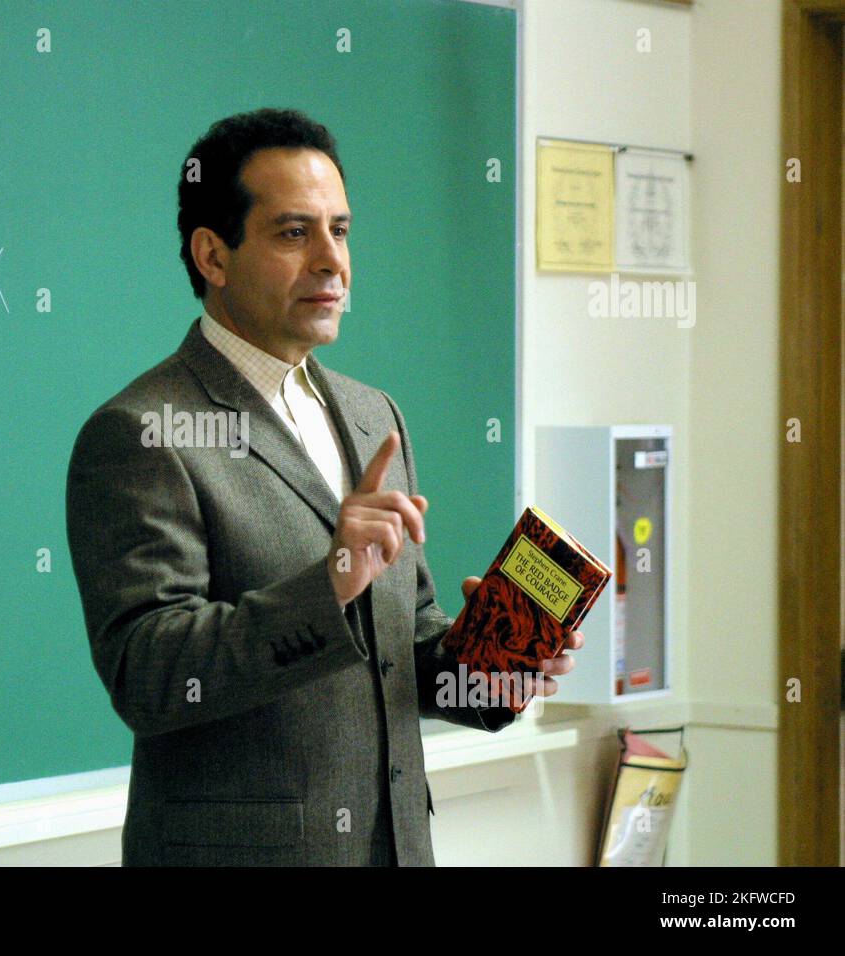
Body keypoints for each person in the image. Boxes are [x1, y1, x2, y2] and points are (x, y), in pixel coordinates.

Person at [65, 107, 581, 866]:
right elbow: (150, 672)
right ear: (212, 254)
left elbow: (400, 651)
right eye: (293, 233)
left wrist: (498, 665)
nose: (332, 262)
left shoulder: (376, 416)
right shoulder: (144, 432)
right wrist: (332, 581)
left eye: (340, 230)